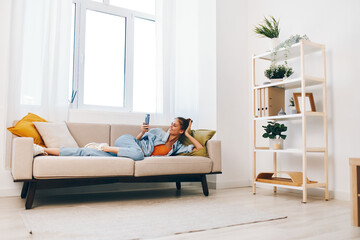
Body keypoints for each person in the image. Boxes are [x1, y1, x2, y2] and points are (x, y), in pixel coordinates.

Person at [33, 117, 203, 161]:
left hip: (124, 153)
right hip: (128, 142)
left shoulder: (178, 147)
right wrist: (141, 133)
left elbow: (199, 149)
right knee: (139, 155)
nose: (170, 127)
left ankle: (42, 150)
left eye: (174, 125)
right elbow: (138, 142)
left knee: (85, 153)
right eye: (171, 123)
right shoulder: (159, 132)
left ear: (181, 130)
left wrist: (189, 134)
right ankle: (104, 147)